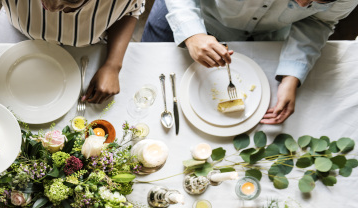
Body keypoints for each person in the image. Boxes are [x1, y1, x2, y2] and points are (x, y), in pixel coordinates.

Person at [142, 0, 358, 124]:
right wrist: (192, 33)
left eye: (315, 2)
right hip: (187, 13)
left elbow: (318, 20)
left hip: (266, 33)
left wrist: (292, 75)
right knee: (148, 89)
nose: (301, 3)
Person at [0, 0, 145, 123]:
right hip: (18, 34)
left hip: (86, 48)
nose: (52, 7)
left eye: (69, 4)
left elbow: (132, 8)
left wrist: (113, 64)